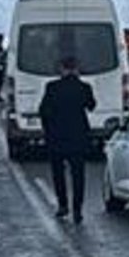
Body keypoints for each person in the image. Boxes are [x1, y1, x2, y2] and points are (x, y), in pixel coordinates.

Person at [39, 56, 96, 223]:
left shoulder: (52, 87)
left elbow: (43, 111)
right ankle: (77, 209)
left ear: (62, 69)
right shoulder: (84, 87)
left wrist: (48, 130)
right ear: (76, 69)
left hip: (57, 137)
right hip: (78, 137)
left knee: (58, 173)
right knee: (78, 174)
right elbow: (91, 105)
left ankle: (63, 205)